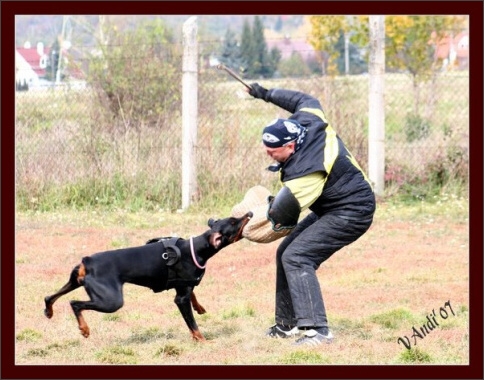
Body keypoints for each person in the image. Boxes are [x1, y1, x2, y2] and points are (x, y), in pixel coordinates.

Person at [246, 83, 376, 346]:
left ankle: (318, 330)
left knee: (297, 256)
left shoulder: (309, 170)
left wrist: (242, 226)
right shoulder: (310, 119)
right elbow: (303, 98)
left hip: (352, 210)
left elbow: (278, 217)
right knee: (285, 252)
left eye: (273, 150)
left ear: (292, 146)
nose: (268, 153)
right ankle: (287, 325)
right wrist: (267, 94)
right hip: (332, 207)